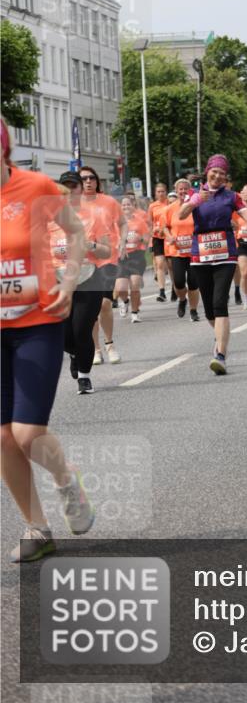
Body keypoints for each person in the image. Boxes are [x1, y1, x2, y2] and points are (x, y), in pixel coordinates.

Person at [1, 117, 94, 562]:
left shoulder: (36, 187)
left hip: (38, 320)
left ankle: (65, 479)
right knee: (2, 437)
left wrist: (70, 281)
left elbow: (76, 234)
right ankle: (37, 529)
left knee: (26, 431)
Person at [179, 154, 247, 375]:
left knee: (220, 303)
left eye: (222, 173)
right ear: (207, 172)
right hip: (201, 256)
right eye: (215, 171)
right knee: (209, 311)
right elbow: (181, 214)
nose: (218, 176)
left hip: (225, 255)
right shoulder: (195, 194)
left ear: (225, 177)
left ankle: (221, 355)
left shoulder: (232, 197)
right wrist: (195, 201)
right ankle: (221, 336)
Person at [49, 171, 110, 395]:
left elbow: (106, 251)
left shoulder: (94, 216)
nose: (69, 191)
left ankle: (84, 376)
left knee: (82, 329)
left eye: (73, 187)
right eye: (64, 187)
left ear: (80, 190)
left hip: (88, 279)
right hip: (59, 281)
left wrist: (91, 245)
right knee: (63, 335)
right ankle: (74, 353)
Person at [80, 166, 127, 365]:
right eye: (84, 179)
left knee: (105, 303)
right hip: (85, 260)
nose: (88, 181)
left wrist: (122, 241)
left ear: (97, 181)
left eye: (92, 177)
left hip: (107, 257)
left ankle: (109, 344)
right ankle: (96, 349)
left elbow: (123, 223)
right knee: (91, 309)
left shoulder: (108, 201)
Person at [163, 179, 200, 321]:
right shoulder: (170, 208)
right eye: (180, 189)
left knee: (193, 282)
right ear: (176, 190)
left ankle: (193, 310)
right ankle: (182, 300)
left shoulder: (195, 207)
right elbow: (165, 226)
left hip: (194, 251)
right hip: (177, 251)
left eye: (186, 189)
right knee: (178, 282)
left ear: (190, 191)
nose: (183, 192)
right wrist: (169, 236)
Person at [115, 195, 150, 323]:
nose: (126, 207)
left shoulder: (140, 221)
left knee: (135, 285)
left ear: (133, 206)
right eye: (123, 205)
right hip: (121, 257)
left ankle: (135, 313)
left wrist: (139, 239)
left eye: (128, 204)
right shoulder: (116, 223)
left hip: (136, 256)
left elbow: (146, 241)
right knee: (120, 288)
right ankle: (125, 301)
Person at [148, 183, 170, 302]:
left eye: (162, 191)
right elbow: (149, 223)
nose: (161, 193)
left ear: (166, 192)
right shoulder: (152, 206)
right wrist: (152, 232)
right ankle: (161, 291)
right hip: (157, 238)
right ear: (155, 193)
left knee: (171, 265)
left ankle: (175, 288)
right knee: (160, 264)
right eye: (158, 192)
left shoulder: (170, 204)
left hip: (169, 237)